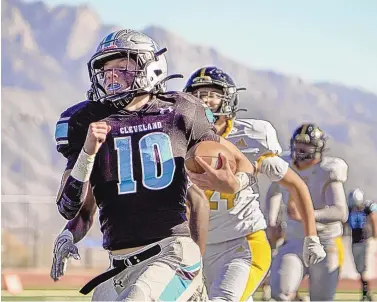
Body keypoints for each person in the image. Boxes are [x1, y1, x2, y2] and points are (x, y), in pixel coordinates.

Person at [51, 29, 258, 301]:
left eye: (122, 66)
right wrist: (69, 233)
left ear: (151, 66)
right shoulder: (86, 121)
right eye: (107, 69)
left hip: (171, 252)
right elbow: (71, 207)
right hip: (118, 264)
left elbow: (242, 163)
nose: (112, 76)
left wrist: (236, 182)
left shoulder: (180, 110)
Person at [183, 67, 326, 302]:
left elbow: (296, 185)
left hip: (242, 244)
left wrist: (312, 237)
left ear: (228, 98)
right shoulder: (180, 138)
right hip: (200, 249)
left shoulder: (250, 137)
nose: (205, 100)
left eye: (212, 93)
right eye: (198, 94)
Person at [268, 123, 349, 301]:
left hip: (325, 242)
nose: (300, 148)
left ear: (318, 148)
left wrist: (309, 214)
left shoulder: (328, 170)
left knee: (321, 298)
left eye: (307, 144)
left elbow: (340, 212)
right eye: (298, 143)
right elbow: (273, 192)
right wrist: (272, 222)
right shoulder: (285, 163)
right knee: (280, 293)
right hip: (294, 239)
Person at [347, 188, 377, 301]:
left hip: (364, 241)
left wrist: (375, 233)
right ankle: (366, 292)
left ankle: (366, 292)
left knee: (363, 268)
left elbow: (373, 216)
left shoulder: (366, 208)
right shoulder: (350, 209)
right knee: (359, 269)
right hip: (355, 242)